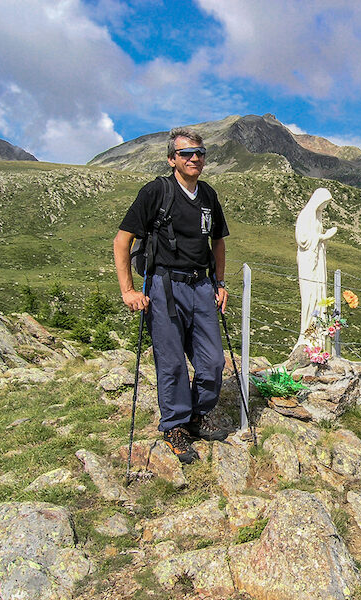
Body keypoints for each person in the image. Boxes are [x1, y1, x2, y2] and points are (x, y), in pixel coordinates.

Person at [113, 128, 230, 463]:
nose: (194, 158)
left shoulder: (208, 195)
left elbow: (218, 242)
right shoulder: (156, 191)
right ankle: (175, 425)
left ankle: (197, 416)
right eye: (185, 153)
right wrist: (128, 290)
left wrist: (220, 283)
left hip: (202, 286)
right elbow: (122, 241)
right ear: (171, 159)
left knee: (213, 362)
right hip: (164, 286)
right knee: (172, 361)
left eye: (200, 153)